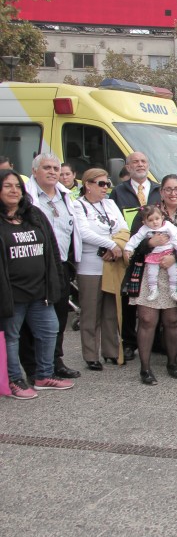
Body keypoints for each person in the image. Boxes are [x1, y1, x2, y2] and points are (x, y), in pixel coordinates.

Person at [0, 170, 73, 399]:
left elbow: (51, 248)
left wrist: (56, 282)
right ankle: (14, 380)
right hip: (12, 293)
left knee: (49, 331)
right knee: (12, 339)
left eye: (18, 187)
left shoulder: (34, 215)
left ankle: (43, 375)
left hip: (40, 291)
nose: (14, 191)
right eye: (7, 186)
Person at [127, 174, 177, 385]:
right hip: (149, 270)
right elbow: (134, 243)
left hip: (176, 271)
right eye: (168, 189)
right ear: (161, 192)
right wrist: (151, 243)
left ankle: (172, 362)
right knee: (147, 320)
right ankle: (145, 368)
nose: (173, 193)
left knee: (171, 320)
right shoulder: (146, 213)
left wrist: (175, 259)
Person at [20, 153, 80, 380]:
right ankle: (32, 365)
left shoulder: (64, 196)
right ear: (34, 171)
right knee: (32, 319)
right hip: (34, 266)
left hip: (61, 264)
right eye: (47, 167)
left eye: (56, 168)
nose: (53, 172)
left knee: (59, 316)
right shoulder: (26, 197)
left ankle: (55, 360)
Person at [72, 168, 130, 370]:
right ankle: (90, 354)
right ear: (87, 185)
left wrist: (114, 246)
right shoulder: (78, 206)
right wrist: (111, 244)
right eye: (101, 184)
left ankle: (111, 351)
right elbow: (84, 233)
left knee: (111, 310)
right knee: (90, 311)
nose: (106, 188)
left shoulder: (110, 204)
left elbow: (124, 228)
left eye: (107, 184)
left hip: (112, 263)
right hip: (90, 265)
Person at [109, 151, 160, 361]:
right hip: (130, 252)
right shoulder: (117, 192)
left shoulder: (158, 190)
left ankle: (155, 341)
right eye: (135, 162)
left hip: (156, 251)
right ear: (128, 167)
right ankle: (129, 342)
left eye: (143, 161)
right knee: (129, 297)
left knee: (155, 296)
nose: (140, 165)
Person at [125, 206, 177, 302]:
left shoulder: (168, 226)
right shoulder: (144, 229)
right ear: (144, 222)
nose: (155, 222)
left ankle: (173, 290)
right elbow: (135, 239)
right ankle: (153, 290)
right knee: (152, 273)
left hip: (168, 253)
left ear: (162, 217)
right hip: (153, 255)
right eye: (150, 220)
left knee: (173, 272)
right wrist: (128, 248)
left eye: (157, 219)